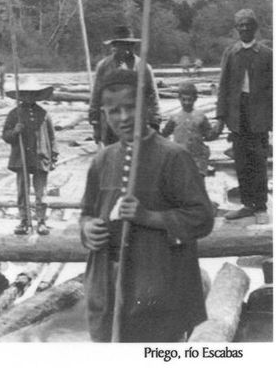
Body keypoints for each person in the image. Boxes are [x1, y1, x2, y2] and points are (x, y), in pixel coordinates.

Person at [79, 69, 214, 342]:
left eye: (131, 107)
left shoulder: (174, 156)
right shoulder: (101, 161)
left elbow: (202, 218)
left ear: (147, 107)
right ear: (104, 114)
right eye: (114, 111)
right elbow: (86, 214)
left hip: (159, 292)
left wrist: (149, 217)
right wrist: (87, 230)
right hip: (108, 291)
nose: (124, 117)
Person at [214, 9, 272, 220]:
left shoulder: (267, 54)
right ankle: (247, 204)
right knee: (241, 160)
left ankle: (261, 206)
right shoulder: (231, 53)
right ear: (237, 29)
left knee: (258, 158)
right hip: (237, 114)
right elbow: (223, 87)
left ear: (255, 28)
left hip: (260, 115)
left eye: (248, 25)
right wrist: (221, 117)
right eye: (241, 25)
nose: (245, 29)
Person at [2, 78, 58, 236]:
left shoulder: (44, 114)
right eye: (26, 94)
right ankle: (24, 220)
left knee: (41, 192)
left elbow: (52, 137)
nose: (29, 98)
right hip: (22, 157)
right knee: (22, 190)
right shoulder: (14, 114)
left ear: (37, 96)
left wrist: (53, 156)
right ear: (21, 96)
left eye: (33, 94)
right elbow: (5, 136)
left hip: (40, 156)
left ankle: (41, 221)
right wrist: (15, 131)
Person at [88, 25, 160, 145]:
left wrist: (155, 122)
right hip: (111, 122)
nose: (126, 49)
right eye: (121, 45)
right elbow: (96, 96)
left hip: (136, 120)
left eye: (129, 45)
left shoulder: (143, 67)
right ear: (114, 46)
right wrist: (95, 123)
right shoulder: (104, 67)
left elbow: (152, 97)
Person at [161, 82, 219, 178]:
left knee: (198, 184)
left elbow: (208, 135)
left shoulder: (200, 116)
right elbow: (164, 134)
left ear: (195, 99)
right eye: (184, 99)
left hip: (198, 158)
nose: (186, 103)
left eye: (190, 100)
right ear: (179, 99)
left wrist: (217, 128)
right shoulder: (175, 118)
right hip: (180, 159)